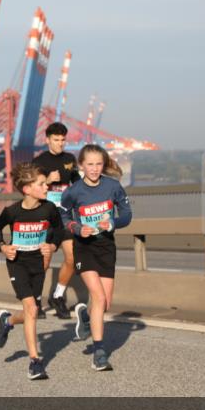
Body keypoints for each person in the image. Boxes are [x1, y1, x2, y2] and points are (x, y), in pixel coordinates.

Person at [60, 144, 133, 371]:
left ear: (104, 164)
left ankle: (85, 316)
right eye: (90, 164)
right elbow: (62, 216)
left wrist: (112, 223)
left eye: (98, 164)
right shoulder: (73, 191)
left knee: (105, 304)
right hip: (84, 247)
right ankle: (99, 353)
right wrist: (76, 227)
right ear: (81, 165)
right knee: (99, 298)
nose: (94, 169)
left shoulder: (113, 186)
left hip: (106, 247)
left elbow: (127, 215)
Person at [0, 163, 63, 380]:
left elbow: (59, 229)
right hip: (18, 263)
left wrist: (53, 246)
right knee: (31, 308)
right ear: (27, 189)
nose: (46, 187)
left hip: (38, 263)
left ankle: (8, 321)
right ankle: (35, 361)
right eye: (41, 184)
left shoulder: (49, 209)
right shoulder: (12, 211)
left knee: (32, 311)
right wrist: (3, 247)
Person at [32, 122, 82, 319]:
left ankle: (57, 296)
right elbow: (29, 189)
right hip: (45, 217)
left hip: (65, 216)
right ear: (47, 140)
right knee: (44, 262)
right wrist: (47, 181)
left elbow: (77, 183)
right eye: (56, 140)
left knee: (72, 258)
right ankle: (36, 300)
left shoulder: (70, 159)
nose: (60, 143)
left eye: (62, 140)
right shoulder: (38, 161)